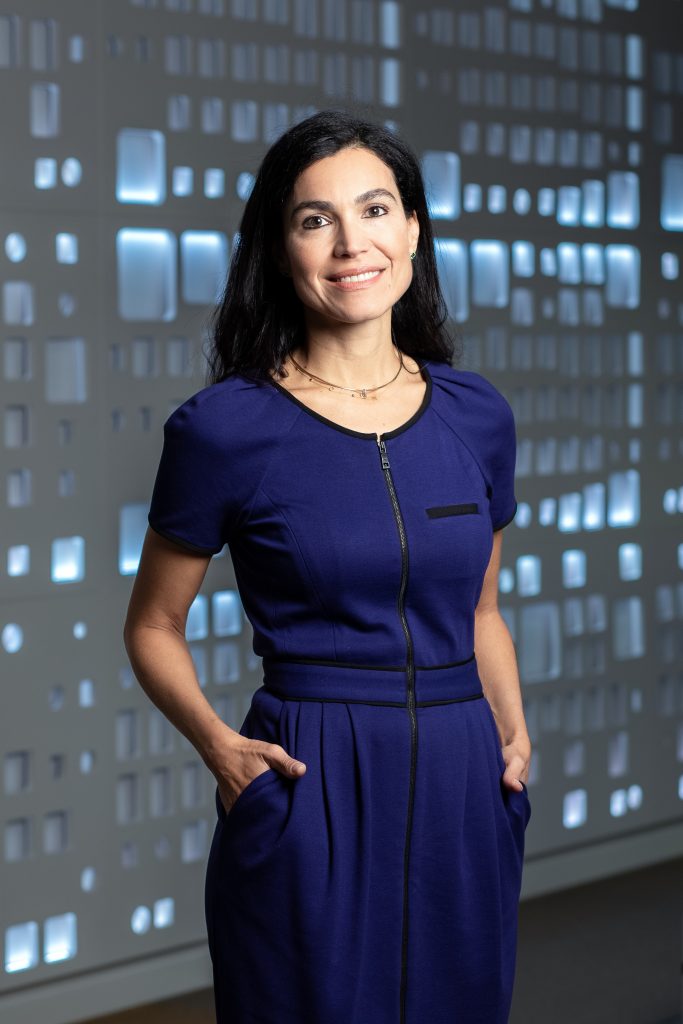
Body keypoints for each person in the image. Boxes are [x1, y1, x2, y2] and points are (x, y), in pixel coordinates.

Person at [123, 107, 532, 1024]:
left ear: (413, 229)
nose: (352, 244)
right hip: (312, 776)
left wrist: (510, 735)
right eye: (316, 220)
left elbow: (480, 611)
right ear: (280, 250)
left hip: (463, 777)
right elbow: (151, 624)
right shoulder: (225, 429)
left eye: (376, 210)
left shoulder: (477, 416)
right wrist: (221, 749)